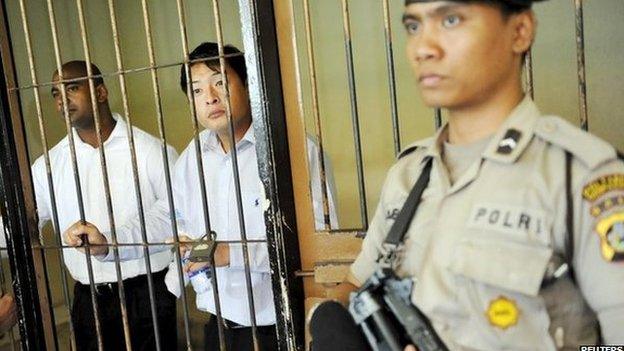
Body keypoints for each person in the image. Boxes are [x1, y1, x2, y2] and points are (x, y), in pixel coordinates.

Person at [314, 0, 624, 349]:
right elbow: (356, 284)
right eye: (413, 26)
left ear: (520, 31)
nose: (423, 48)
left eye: (451, 19)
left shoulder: (580, 178)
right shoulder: (409, 175)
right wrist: (327, 321)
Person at [164, 42, 338, 351]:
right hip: (220, 328)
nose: (211, 98)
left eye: (220, 82)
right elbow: (171, 217)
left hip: (283, 326)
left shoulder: (294, 150)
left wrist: (231, 253)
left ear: (248, 84)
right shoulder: (193, 157)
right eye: (197, 91)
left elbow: (319, 246)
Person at [34, 61, 179, 350]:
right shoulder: (48, 167)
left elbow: (179, 216)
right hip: (89, 301)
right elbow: (23, 222)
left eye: (72, 88)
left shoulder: (151, 151)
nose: (62, 100)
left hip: (147, 293)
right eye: (54, 93)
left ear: (101, 92)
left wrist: (170, 286)